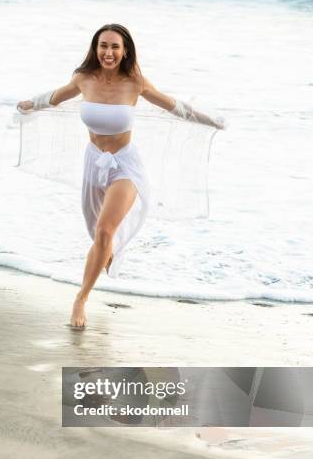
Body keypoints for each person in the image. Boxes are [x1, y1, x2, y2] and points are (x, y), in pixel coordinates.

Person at [17, 23, 225, 328]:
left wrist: (211, 121)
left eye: (115, 46)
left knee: (103, 231)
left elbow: (175, 106)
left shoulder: (135, 82)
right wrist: (28, 104)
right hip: (93, 162)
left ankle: (80, 299)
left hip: (125, 165)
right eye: (103, 46)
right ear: (95, 48)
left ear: (125, 50)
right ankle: (106, 257)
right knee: (99, 236)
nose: (109, 52)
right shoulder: (84, 79)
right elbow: (54, 97)